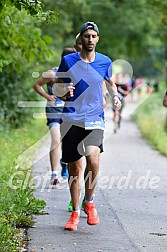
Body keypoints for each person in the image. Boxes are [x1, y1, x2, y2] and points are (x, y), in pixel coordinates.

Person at [53, 21, 121, 231]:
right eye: (86, 36)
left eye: (93, 36)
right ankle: (74, 212)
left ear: (97, 39)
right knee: (75, 167)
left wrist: (116, 97)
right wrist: (63, 93)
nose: (90, 39)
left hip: (94, 118)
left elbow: (110, 82)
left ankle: (88, 202)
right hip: (72, 118)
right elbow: (57, 86)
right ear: (80, 39)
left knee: (93, 159)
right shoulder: (68, 61)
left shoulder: (104, 61)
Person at [33, 48, 76, 185]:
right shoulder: (52, 74)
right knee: (56, 139)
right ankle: (54, 174)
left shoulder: (76, 76)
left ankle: (64, 163)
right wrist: (47, 96)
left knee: (66, 141)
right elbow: (37, 85)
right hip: (53, 112)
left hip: (68, 113)